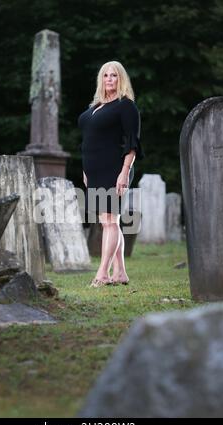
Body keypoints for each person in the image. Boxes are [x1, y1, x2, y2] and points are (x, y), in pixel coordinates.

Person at [78, 60, 144, 287]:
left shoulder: (126, 106)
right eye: (105, 75)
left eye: (114, 75)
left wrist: (124, 172)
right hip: (94, 171)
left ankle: (103, 273)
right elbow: (89, 140)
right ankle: (121, 273)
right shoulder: (95, 106)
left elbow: (132, 144)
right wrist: (85, 170)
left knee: (109, 221)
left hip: (115, 169)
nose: (109, 79)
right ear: (101, 79)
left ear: (121, 79)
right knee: (107, 221)